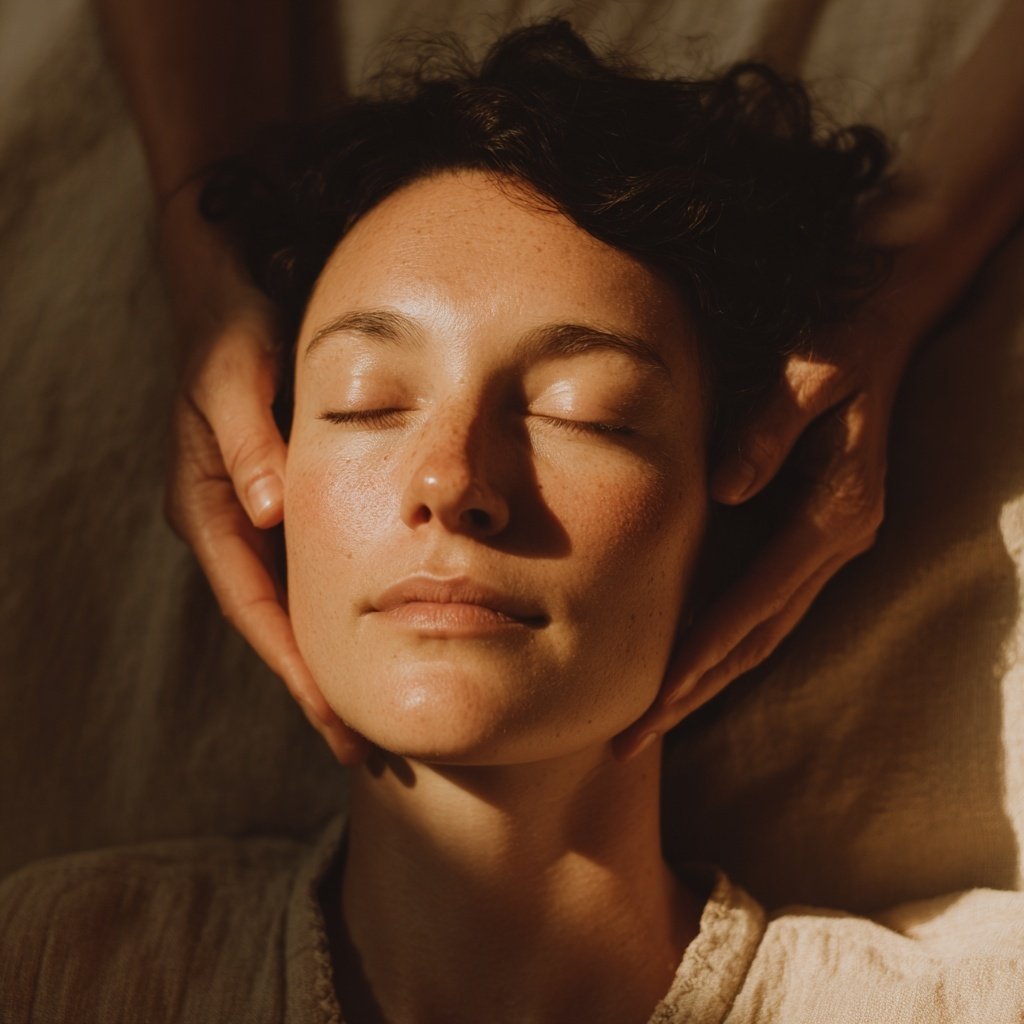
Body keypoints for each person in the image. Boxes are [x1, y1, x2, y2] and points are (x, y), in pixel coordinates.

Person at [3, 19, 1023, 1024]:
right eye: (365, 399)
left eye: (585, 412)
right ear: (257, 471)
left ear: (733, 507)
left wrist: (903, 283)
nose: (451, 481)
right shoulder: (57, 966)